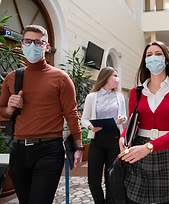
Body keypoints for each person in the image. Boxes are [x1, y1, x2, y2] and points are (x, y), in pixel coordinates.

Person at [0, 25, 83, 203]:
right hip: (19, 150)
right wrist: (9, 109)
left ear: (46, 46)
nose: (32, 45)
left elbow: (71, 114)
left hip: (49, 150)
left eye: (38, 42)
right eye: (28, 41)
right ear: (22, 44)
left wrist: (79, 146)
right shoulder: (12, 78)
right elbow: (2, 113)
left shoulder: (61, 78)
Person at [118, 41, 169, 204]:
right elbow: (132, 123)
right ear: (145, 62)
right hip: (138, 148)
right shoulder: (136, 92)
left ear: (166, 60)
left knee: (164, 201)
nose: (153, 58)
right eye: (149, 55)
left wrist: (150, 147)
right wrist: (123, 137)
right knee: (134, 198)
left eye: (158, 54)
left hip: (167, 150)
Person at [81, 67, 127, 204]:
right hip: (97, 140)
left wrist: (122, 118)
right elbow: (84, 119)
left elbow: (124, 115)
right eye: (114, 76)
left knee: (111, 178)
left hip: (114, 140)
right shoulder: (92, 96)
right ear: (106, 77)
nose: (117, 79)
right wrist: (90, 127)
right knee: (93, 180)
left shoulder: (119, 96)